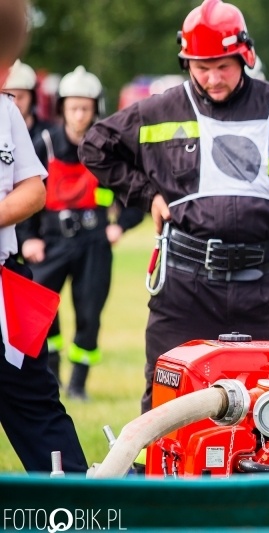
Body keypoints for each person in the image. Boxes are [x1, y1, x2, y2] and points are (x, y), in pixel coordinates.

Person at [79, 0, 269, 413]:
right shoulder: (162, 109)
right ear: (187, 63)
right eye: (201, 67)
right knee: (166, 403)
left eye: (223, 66)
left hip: (263, 289)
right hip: (183, 289)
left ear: (244, 56)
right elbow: (95, 146)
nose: (212, 79)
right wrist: (147, 196)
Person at [17, 65, 143, 400]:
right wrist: (28, 237)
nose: (79, 115)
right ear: (61, 109)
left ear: (96, 109)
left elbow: (135, 194)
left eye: (85, 108)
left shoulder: (107, 150)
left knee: (89, 314)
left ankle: (78, 385)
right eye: (72, 107)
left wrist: (120, 225)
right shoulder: (42, 144)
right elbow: (24, 192)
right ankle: (52, 375)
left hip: (94, 244)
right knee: (43, 314)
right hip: (51, 242)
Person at [0, 0, 87, 473]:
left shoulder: (5, 111)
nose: (8, 71)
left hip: (6, 288)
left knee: (40, 407)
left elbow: (34, 190)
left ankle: (78, 511)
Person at [2, 59, 53, 143]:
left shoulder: (48, 135)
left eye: (21, 97)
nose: (15, 103)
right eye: (9, 97)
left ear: (32, 98)